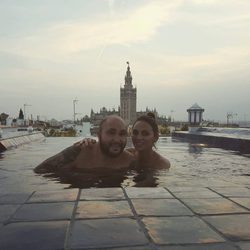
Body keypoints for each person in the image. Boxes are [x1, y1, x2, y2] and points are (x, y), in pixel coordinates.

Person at [34, 115, 134, 174]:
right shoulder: (79, 152)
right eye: (111, 133)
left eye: (122, 134)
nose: (117, 139)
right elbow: (40, 170)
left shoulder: (130, 161)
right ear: (99, 135)